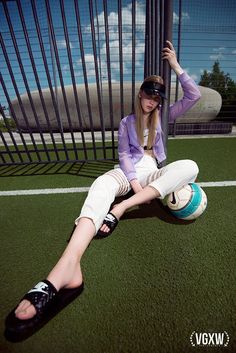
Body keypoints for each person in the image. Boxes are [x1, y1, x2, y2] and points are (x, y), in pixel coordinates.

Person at [5, 41, 201, 339]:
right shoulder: (127, 123)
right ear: (140, 94)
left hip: (155, 171)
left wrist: (175, 66)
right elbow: (124, 158)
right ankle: (67, 270)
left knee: (190, 166)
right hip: (130, 174)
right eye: (149, 94)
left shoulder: (165, 117)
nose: (153, 101)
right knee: (101, 183)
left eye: (158, 97)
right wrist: (134, 185)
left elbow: (194, 94)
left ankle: (119, 209)